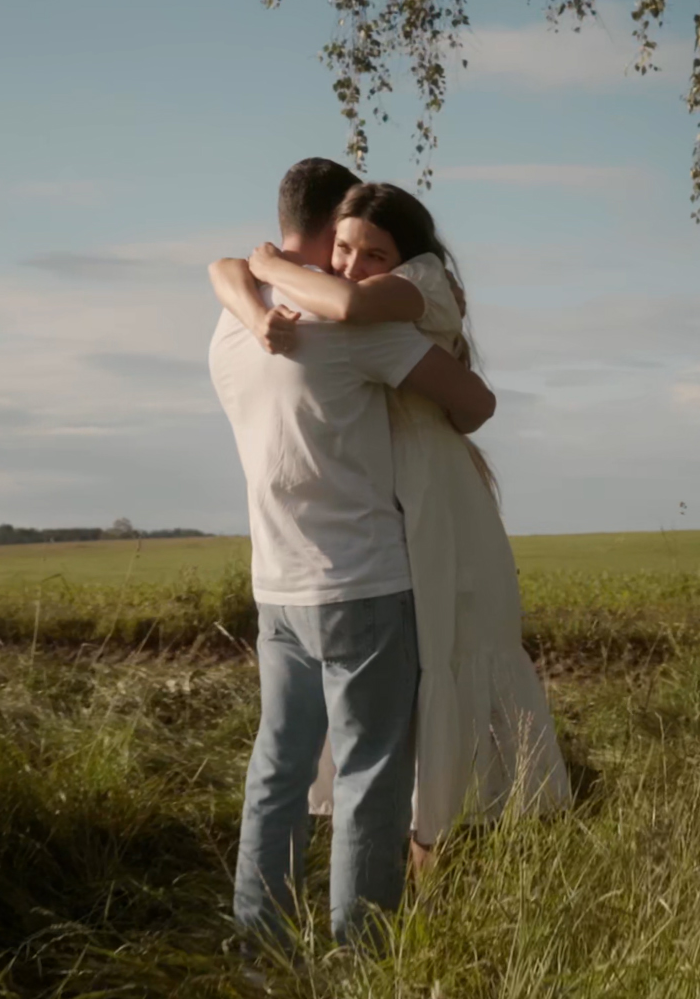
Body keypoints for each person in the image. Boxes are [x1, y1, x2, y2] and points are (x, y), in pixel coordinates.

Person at [220, 181, 573, 877]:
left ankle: (446, 853)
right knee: (410, 692)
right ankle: (418, 873)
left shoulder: (416, 283)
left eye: (371, 252)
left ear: (405, 256)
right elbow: (221, 270)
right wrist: (250, 275)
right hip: (393, 509)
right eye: (344, 247)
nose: (351, 264)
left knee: (445, 658)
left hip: (434, 499)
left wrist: (265, 267)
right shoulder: (339, 317)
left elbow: (469, 401)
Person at [206, 158, 498, 951]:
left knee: (278, 770)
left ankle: (256, 943)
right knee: (371, 780)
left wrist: (256, 268)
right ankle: (358, 959)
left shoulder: (231, 326)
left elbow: (229, 269)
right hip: (364, 583)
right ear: (337, 222)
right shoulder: (353, 330)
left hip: (276, 586)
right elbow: (474, 404)